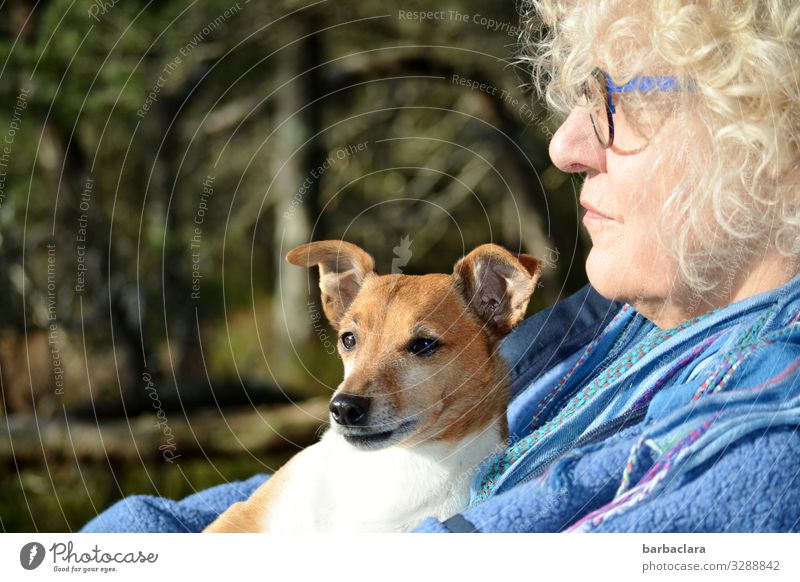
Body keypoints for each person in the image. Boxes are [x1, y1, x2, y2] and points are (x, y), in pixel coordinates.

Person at [82, 0, 800, 533]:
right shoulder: (599, 330)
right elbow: (291, 498)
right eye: (581, 98)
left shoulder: (765, 449)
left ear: (773, 133)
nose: (566, 146)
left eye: (619, 104)